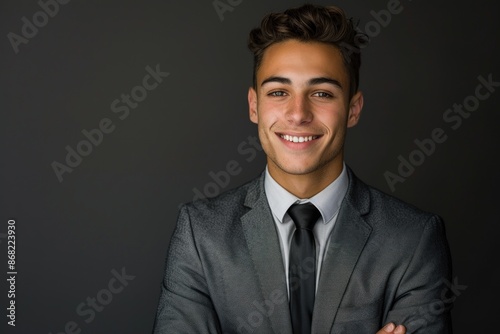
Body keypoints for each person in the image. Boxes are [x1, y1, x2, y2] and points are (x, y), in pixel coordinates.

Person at [152, 4, 452, 334]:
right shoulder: (201, 234)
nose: (298, 114)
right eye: (279, 92)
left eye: (322, 93)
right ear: (254, 105)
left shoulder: (412, 239)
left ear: (353, 109)